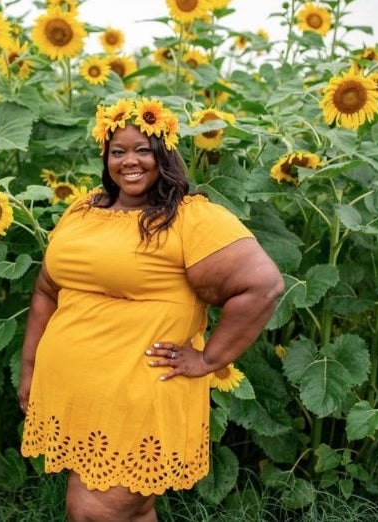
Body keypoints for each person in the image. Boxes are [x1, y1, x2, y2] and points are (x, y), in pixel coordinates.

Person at [18, 97, 284, 522]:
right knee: (128, 511)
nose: (130, 161)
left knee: (94, 512)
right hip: (77, 395)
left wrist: (210, 359)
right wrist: (30, 369)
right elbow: (47, 290)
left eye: (143, 149)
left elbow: (263, 287)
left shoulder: (188, 218)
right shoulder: (84, 211)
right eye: (118, 151)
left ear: (165, 154)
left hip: (138, 394)